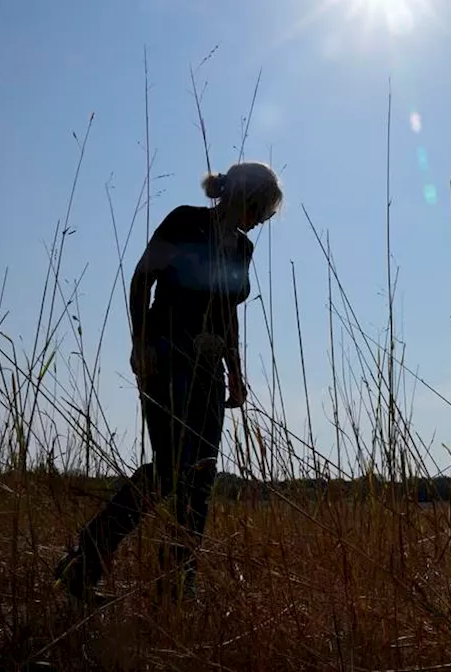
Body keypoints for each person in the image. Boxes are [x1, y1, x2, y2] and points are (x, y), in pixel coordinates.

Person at [54, 161, 282, 604]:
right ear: (243, 198)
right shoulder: (184, 221)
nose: (261, 220)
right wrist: (140, 342)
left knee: (200, 477)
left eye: (266, 214)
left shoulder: (242, 249)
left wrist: (235, 371)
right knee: (171, 470)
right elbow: (143, 278)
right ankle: (87, 559)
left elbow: (226, 311)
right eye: (261, 208)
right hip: (165, 357)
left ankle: (178, 585)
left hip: (208, 369)